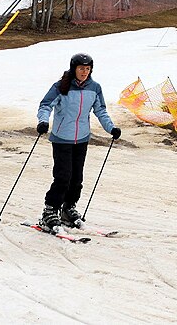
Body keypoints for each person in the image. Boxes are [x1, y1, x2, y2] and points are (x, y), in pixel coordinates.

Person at [36, 52, 121, 230]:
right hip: (61, 139)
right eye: (81, 68)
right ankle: (50, 211)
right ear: (74, 68)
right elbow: (45, 105)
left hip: (81, 139)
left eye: (88, 69)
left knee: (76, 178)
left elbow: (101, 110)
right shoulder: (61, 86)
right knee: (63, 176)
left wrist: (111, 128)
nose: (84, 72)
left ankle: (68, 208)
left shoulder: (94, 88)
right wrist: (43, 121)